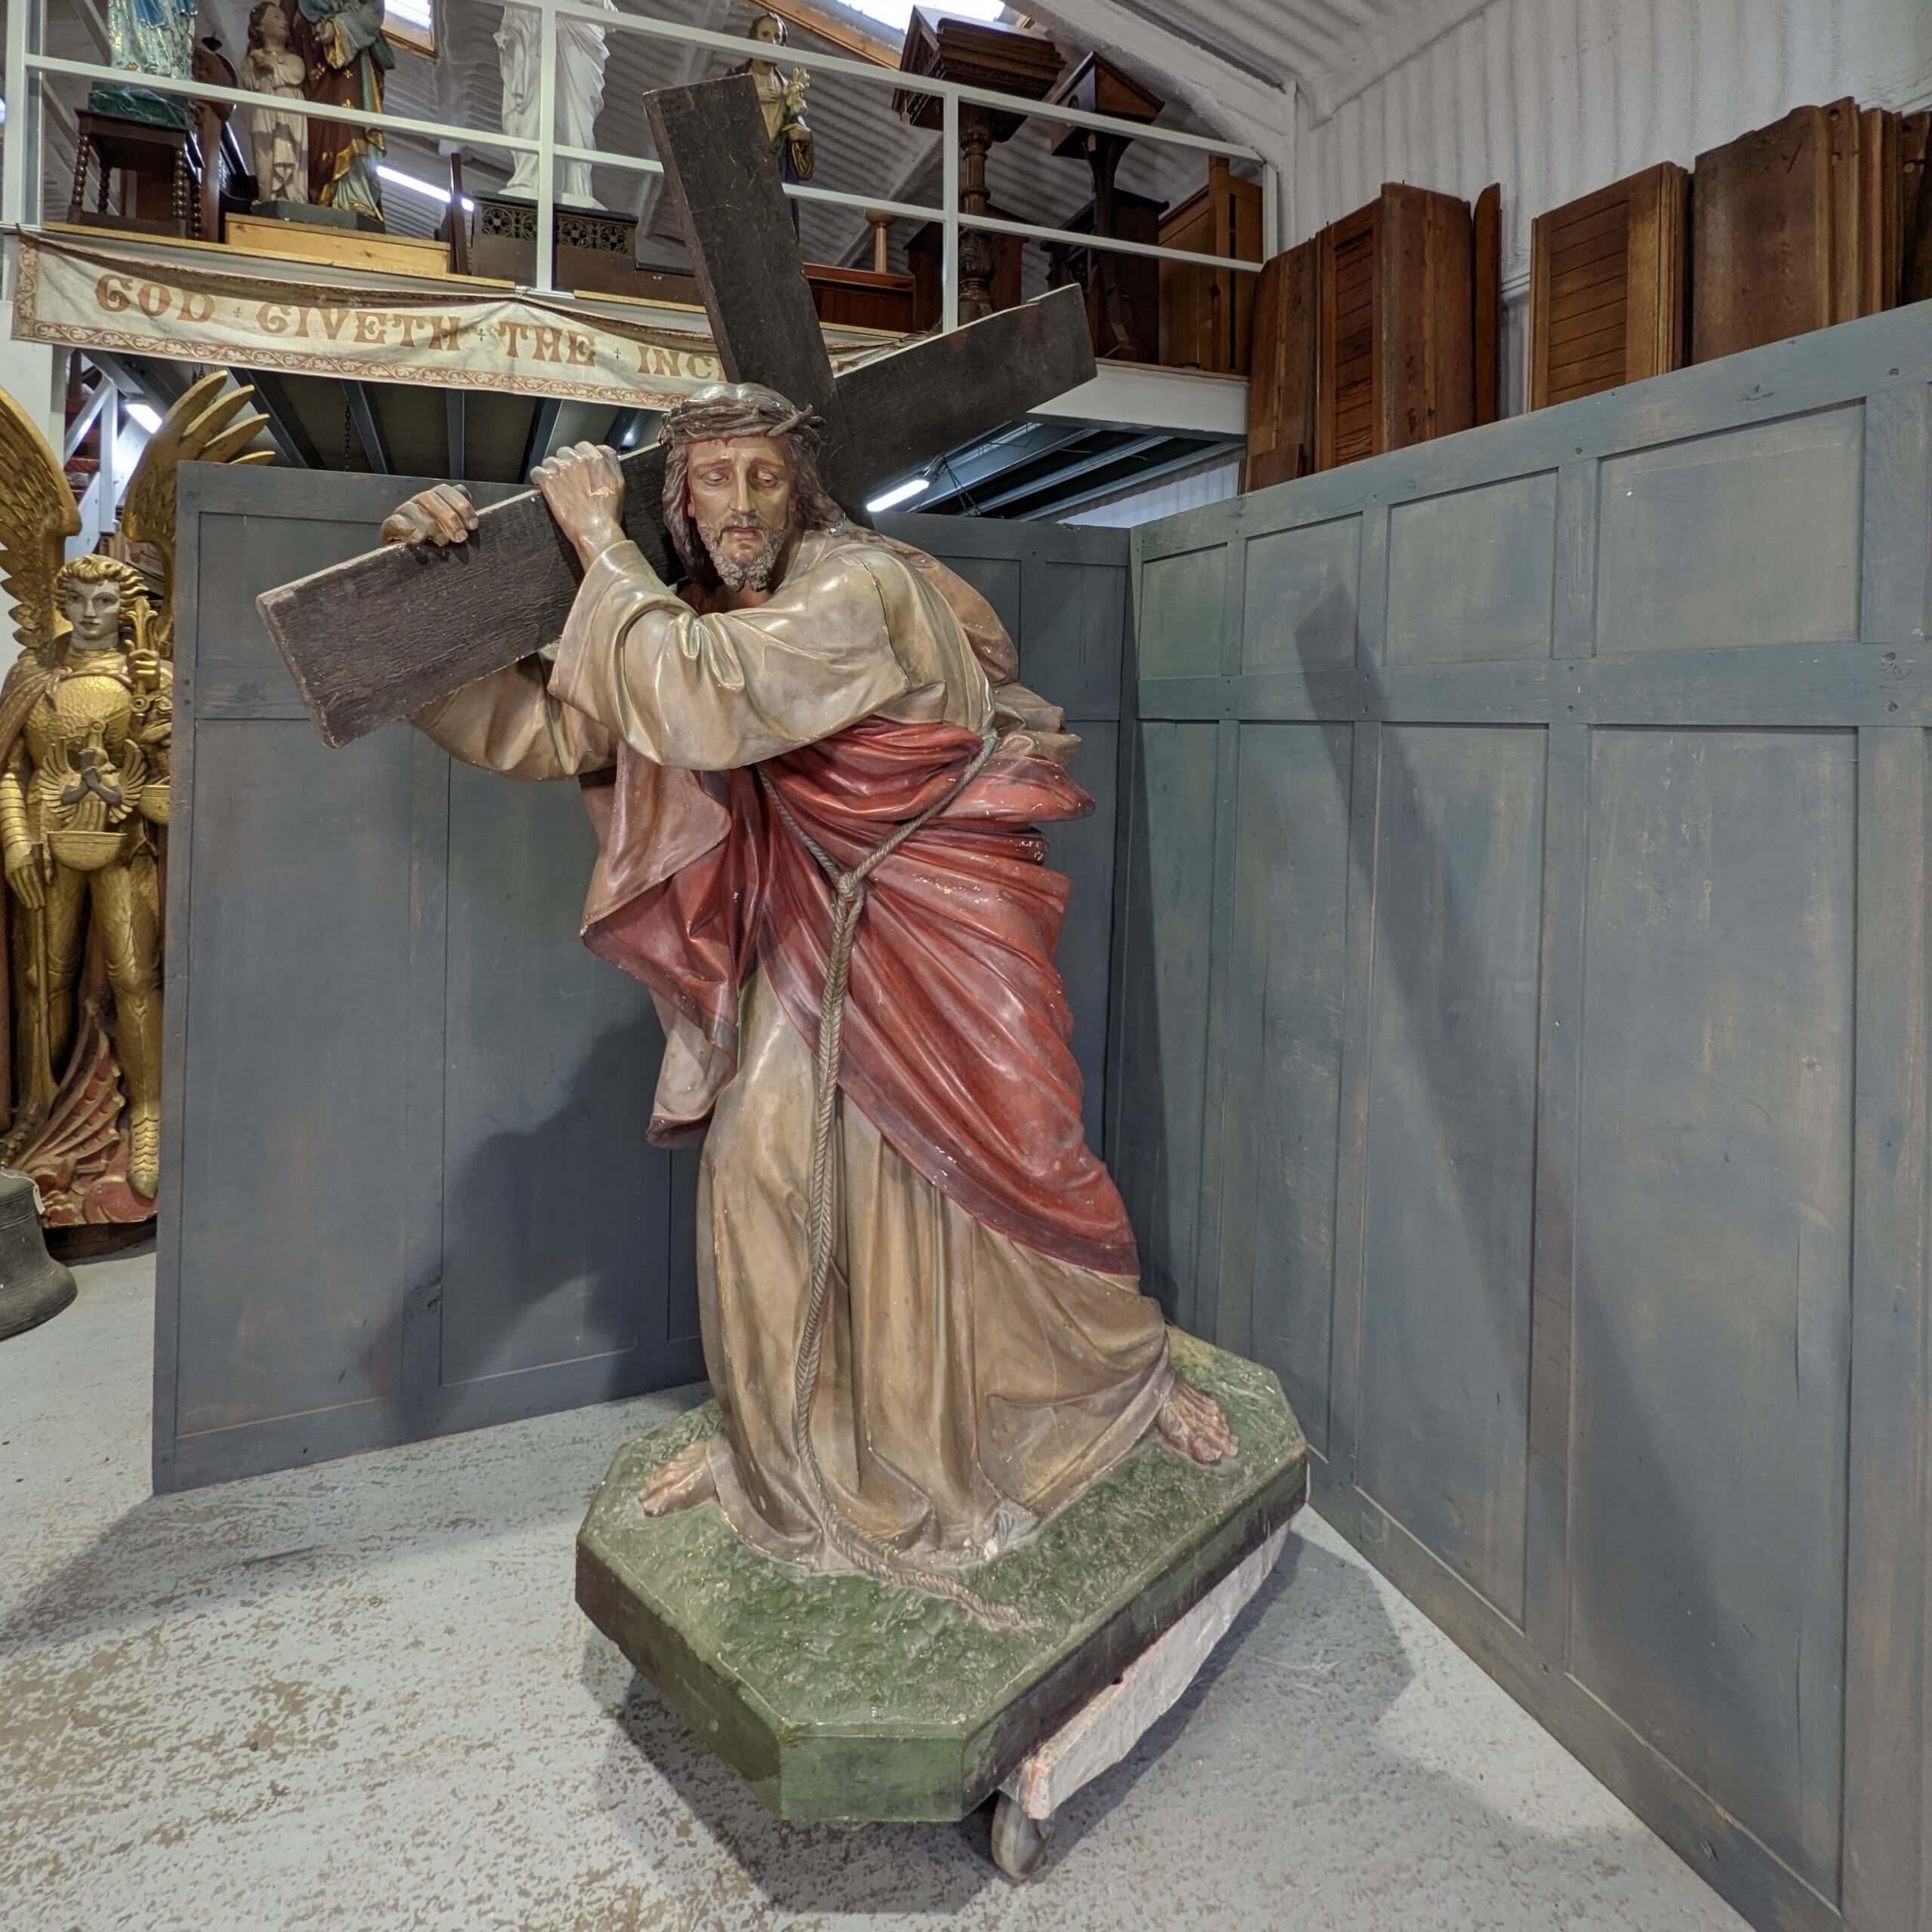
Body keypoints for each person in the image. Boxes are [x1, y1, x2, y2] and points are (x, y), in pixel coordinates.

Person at [382, 386, 1234, 1611]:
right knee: (762, 1173)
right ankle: (784, 1459)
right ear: (684, 501)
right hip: (808, 938)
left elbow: (706, 692)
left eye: (764, 477)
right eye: (713, 479)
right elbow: (552, 726)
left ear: (802, 493)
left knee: (1016, 1171)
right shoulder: (697, 620)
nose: (739, 504)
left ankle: (1119, 1382)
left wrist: (597, 539)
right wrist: (424, 597)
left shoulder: (857, 585)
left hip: (951, 928)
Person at [497, 0, 616, 209]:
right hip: (534, 26)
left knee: (578, 117)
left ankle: (576, 184)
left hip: (579, 29)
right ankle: (531, 176)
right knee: (533, 102)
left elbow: (609, 15)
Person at [291, 0, 391, 223]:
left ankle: (355, 196)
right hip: (313, 60)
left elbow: (373, 11)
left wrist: (341, 27)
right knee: (316, 130)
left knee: (351, 124)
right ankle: (319, 193)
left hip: (355, 57)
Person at [242, 2, 309, 205]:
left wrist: (272, 66)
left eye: (285, 18)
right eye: (276, 17)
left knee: (292, 148)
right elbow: (248, 81)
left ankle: (293, 196)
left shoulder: (294, 59)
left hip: (291, 112)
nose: (284, 21)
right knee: (265, 152)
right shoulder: (251, 59)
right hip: (265, 110)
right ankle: (267, 196)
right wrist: (257, 65)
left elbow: (297, 75)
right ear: (260, 27)